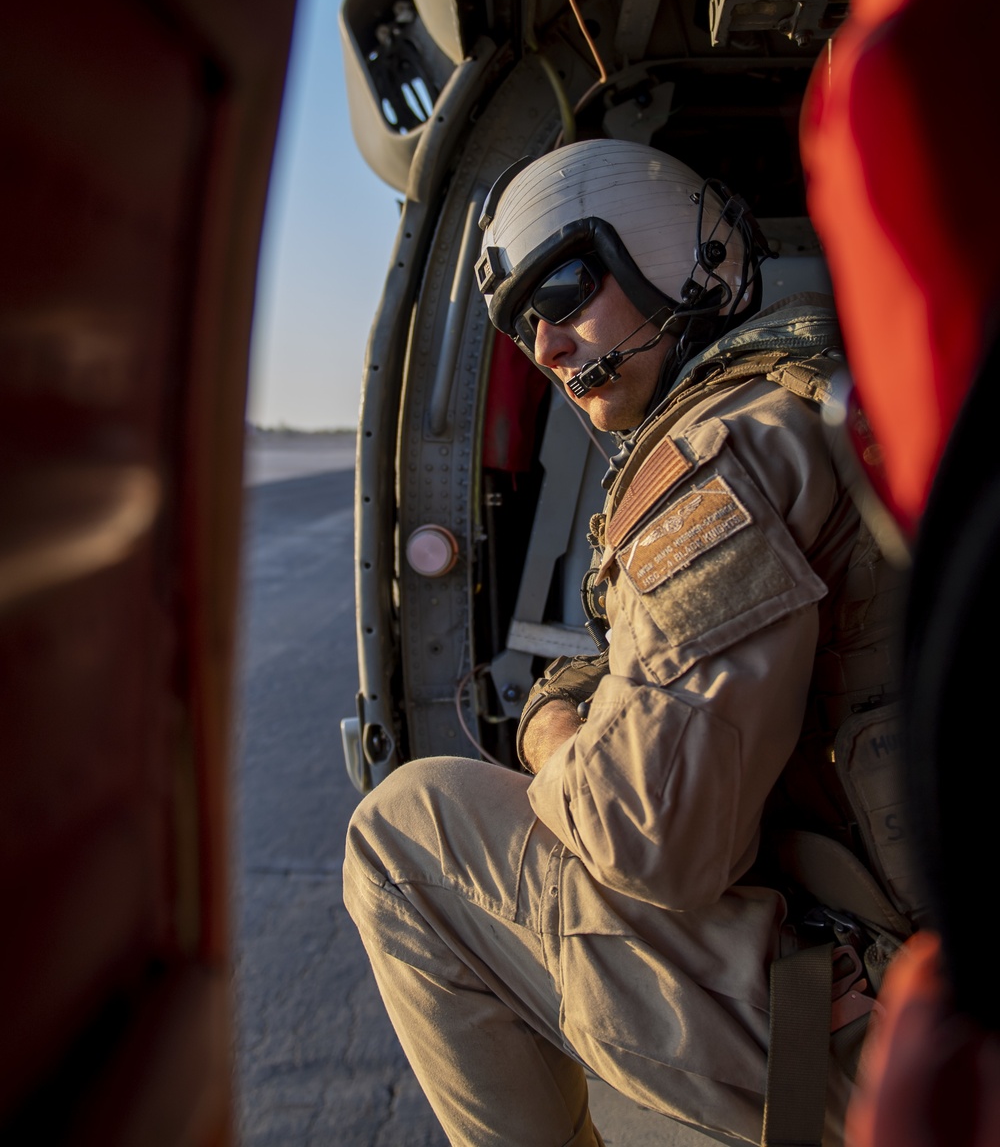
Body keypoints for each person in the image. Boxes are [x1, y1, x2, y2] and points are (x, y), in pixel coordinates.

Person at [343, 139, 901, 1147]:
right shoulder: (814, 392)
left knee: (401, 835)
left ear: (671, 253)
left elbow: (655, 841)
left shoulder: (715, 451)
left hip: (877, 1025)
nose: (547, 347)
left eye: (561, 291)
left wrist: (552, 728)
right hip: (907, 963)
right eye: (522, 327)